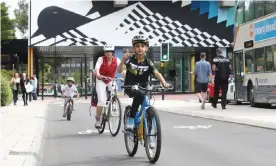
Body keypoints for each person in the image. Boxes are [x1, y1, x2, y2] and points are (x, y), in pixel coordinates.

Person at [117, 35, 169, 130]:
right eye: (137, 46)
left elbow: (157, 73)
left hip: (143, 87)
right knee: (139, 95)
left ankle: (149, 136)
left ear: (146, 48)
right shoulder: (130, 60)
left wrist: (164, 82)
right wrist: (123, 60)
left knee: (147, 107)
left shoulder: (148, 62)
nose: (140, 48)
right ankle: (131, 119)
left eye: (142, 46)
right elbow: (119, 71)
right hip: (130, 87)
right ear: (134, 48)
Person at [93, 44, 123, 128]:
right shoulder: (101, 59)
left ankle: (113, 102)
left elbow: (122, 69)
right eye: (107, 52)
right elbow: (97, 68)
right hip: (101, 80)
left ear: (113, 52)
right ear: (104, 53)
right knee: (102, 101)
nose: (109, 53)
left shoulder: (116, 60)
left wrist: (125, 74)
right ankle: (98, 120)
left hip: (110, 79)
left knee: (115, 89)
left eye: (110, 52)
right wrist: (98, 74)